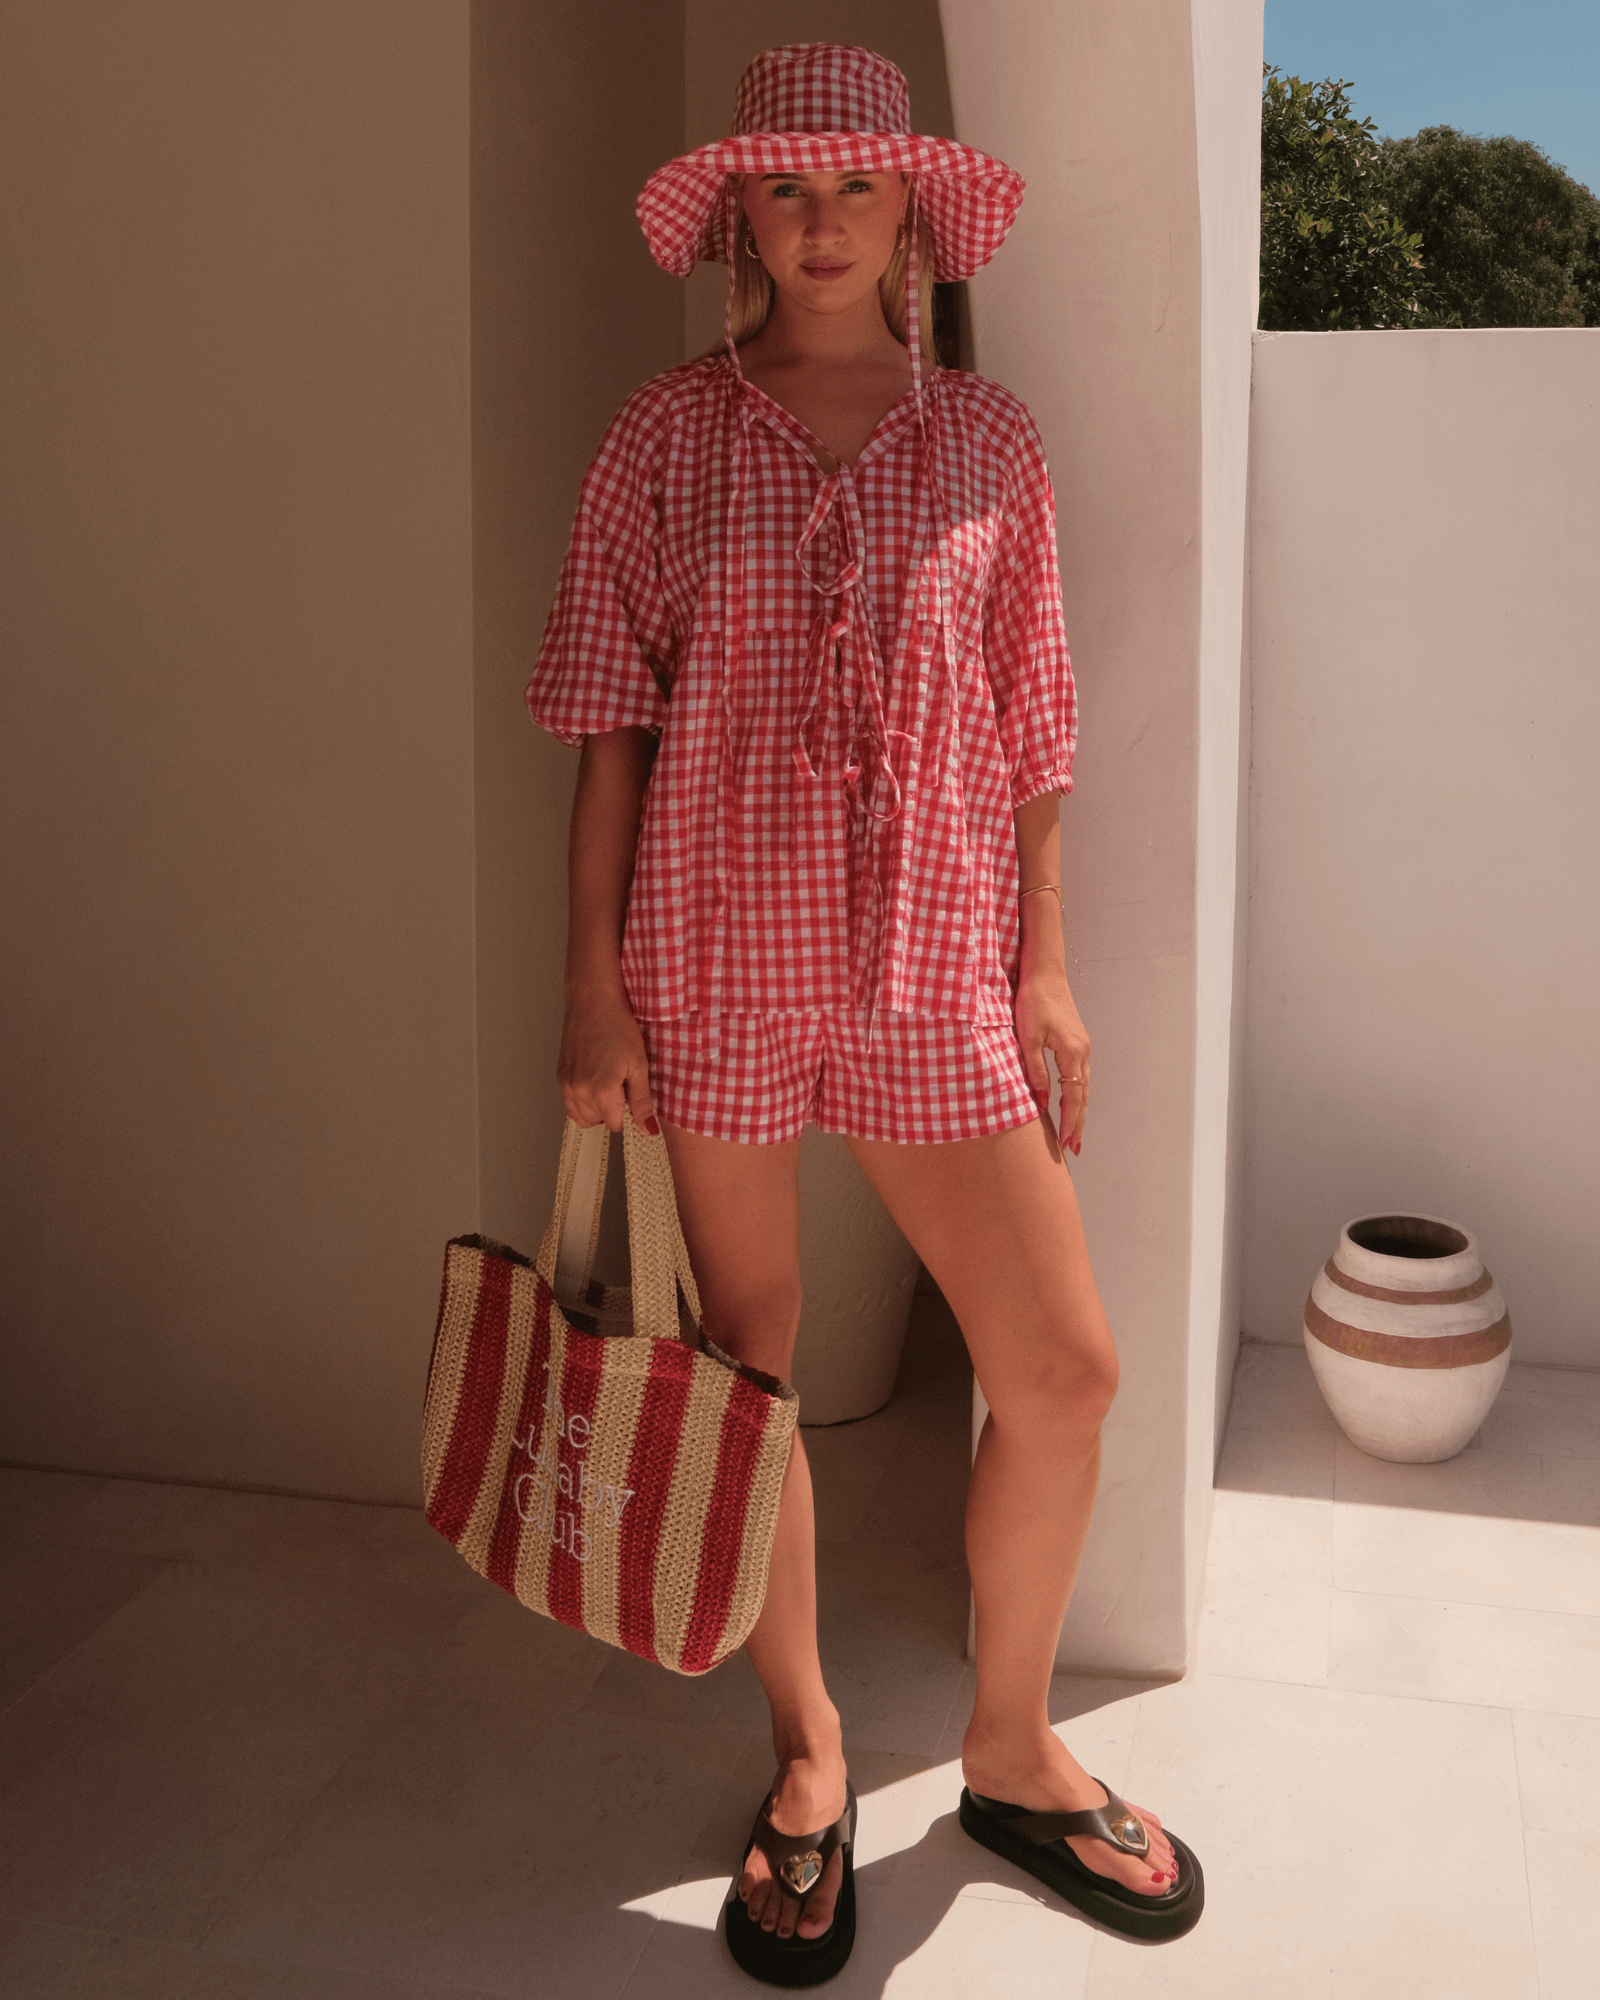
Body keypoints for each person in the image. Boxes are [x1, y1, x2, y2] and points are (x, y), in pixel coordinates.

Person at [526, 41, 1203, 1984]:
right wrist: (591, 984)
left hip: (927, 959)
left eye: (855, 189)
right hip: (711, 949)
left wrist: (1045, 963)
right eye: (784, 191)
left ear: (914, 211)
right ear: (739, 214)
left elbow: (1031, 731)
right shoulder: (660, 434)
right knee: (756, 1376)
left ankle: (1005, 1745)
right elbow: (607, 728)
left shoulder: (985, 442)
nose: (819, 225)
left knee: (1059, 1366)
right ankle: (808, 1752)